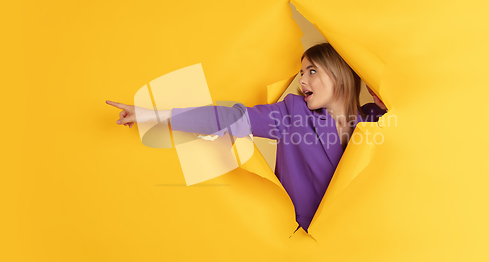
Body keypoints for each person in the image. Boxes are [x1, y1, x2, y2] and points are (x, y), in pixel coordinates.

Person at [106, 43, 387, 232]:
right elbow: (227, 119)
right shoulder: (293, 112)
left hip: (361, 238)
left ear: (340, 74)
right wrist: (152, 114)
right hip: (306, 240)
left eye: (312, 71)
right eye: (302, 72)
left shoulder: (375, 118)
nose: (302, 81)